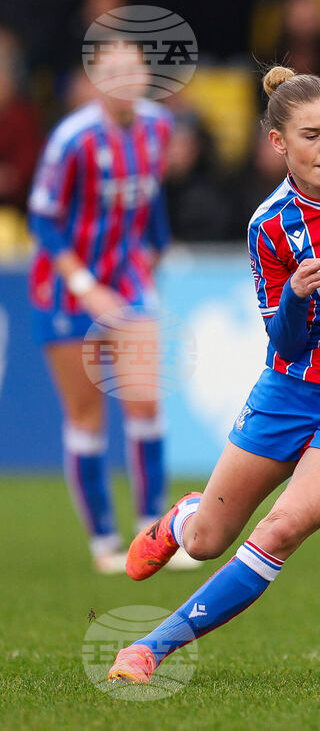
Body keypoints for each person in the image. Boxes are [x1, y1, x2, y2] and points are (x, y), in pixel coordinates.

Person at [107, 65, 320, 684]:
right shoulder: (271, 225)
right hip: (292, 390)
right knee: (208, 539)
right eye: (311, 135)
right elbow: (283, 340)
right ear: (278, 143)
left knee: (281, 528)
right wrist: (294, 296)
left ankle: (151, 647)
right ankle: (184, 518)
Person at [26, 49, 190, 574]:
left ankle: (152, 534)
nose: (124, 82)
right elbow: (44, 220)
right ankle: (103, 542)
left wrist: (158, 246)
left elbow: (151, 197)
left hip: (128, 281)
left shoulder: (158, 128)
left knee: (145, 404)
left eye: (133, 71)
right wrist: (83, 283)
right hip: (65, 290)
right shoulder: (72, 140)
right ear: (94, 83)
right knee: (86, 414)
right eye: (111, 73)